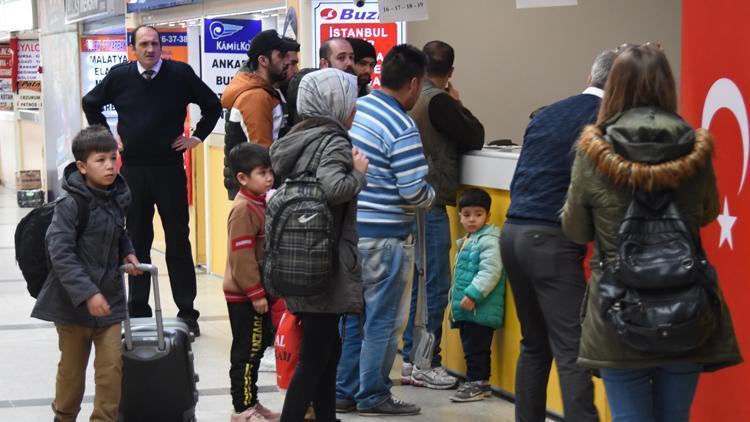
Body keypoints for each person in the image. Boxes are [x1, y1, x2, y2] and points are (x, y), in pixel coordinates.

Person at [561, 43, 742, 422]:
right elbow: (708, 214)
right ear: (666, 87)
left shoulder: (593, 150)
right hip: (686, 307)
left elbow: (576, 229)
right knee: (675, 415)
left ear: (614, 87)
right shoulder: (695, 147)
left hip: (617, 307)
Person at [499, 48, 617, 422]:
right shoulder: (608, 120)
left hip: (514, 232)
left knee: (534, 345)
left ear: (590, 78)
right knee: (572, 350)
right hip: (551, 239)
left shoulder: (549, 112)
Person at [82, 25, 221, 336]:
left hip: (169, 169)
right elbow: (90, 103)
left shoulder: (180, 74)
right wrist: (107, 136)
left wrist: (196, 137)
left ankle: (187, 312)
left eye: (155, 44)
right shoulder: (120, 76)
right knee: (136, 240)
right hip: (132, 170)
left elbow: (213, 106)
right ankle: (139, 309)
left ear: (161, 47)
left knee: (178, 242)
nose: (150, 49)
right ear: (134, 48)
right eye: (144, 44)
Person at [335, 44, 434, 417]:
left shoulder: (357, 110)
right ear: (412, 83)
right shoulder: (402, 126)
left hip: (354, 234)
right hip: (387, 241)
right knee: (383, 322)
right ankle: (373, 394)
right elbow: (412, 191)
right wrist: (430, 194)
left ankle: (344, 390)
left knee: (352, 317)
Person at [269, 68, 368, 422]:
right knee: (315, 357)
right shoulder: (335, 141)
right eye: (351, 102)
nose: (354, 109)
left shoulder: (298, 137)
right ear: (335, 104)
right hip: (326, 263)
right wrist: (358, 172)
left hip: (298, 259)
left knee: (327, 349)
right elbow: (333, 190)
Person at [31, 126, 142, 421]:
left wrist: (127, 251)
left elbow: (118, 232)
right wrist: (88, 293)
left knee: (111, 371)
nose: (109, 165)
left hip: (111, 301)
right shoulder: (71, 204)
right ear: (82, 167)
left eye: (113, 158)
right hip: (72, 305)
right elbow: (61, 254)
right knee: (72, 371)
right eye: (100, 160)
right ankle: (64, 416)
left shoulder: (117, 196)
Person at [401, 40, 484, 390]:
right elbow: (475, 136)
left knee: (418, 287)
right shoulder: (439, 102)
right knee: (437, 285)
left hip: (411, 199)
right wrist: (456, 100)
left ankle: (409, 359)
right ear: (450, 72)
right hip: (431, 202)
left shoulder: (411, 98)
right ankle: (424, 362)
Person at [224, 142, 279, 422]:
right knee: (246, 353)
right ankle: (242, 409)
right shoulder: (244, 209)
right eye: (262, 172)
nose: (269, 178)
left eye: (270, 171)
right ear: (243, 178)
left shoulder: (261, 202)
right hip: (245, 296)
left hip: (257, 293)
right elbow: (241, 256)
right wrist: (256, 293)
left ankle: (252, 402)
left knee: (256, 351)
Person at [222, 29, 299, 199]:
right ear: (263, 60)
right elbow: (261, 153)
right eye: (281, 56)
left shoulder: (269, 90)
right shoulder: (256, 97)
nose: (287, 62)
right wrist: (268, 197)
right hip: (257, 193)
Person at [448, 188, 505, 402]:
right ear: (460, 216)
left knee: (477, 347)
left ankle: (478, 383)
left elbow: (490, 270)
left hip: (481, 307)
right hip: (470, 309)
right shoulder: (470, 239)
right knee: (471, 346)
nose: (472, 219)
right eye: (467, 214)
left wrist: (473, 294)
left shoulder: (488, 240)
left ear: (488, 216)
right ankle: (476, 382)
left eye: (478, 214)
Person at [286, 37, 356, 126]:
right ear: (324, 64)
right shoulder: (314, 99)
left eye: (351, 57)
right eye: (341, 58)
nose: (349, 63)